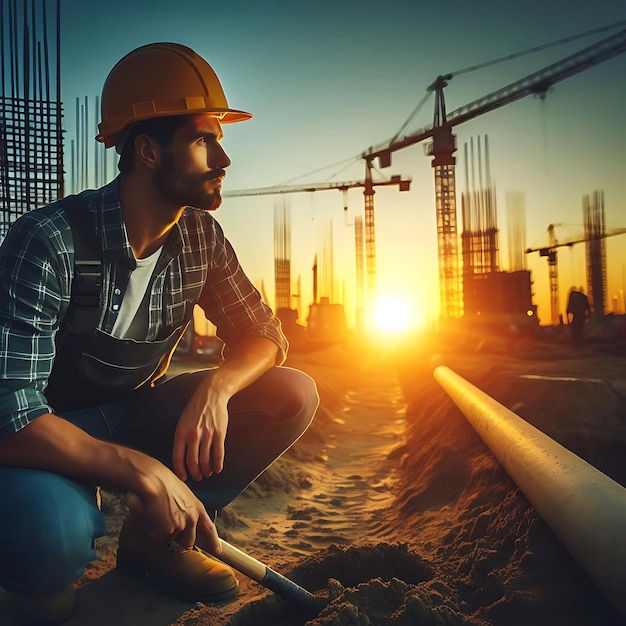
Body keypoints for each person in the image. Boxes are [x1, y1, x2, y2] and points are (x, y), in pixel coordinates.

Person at [0, 42, 319, 625]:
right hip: (40, 437)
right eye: (203, 141)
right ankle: (31, 578)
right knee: (51, 540)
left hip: (130, 415)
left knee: (289, 395)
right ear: (148, 151)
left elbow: (264, 333)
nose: (222, 159)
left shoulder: (200, 238)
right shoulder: (49, 241)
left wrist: (217, 389)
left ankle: (153, 545)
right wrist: (139, 470)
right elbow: (6, 413)